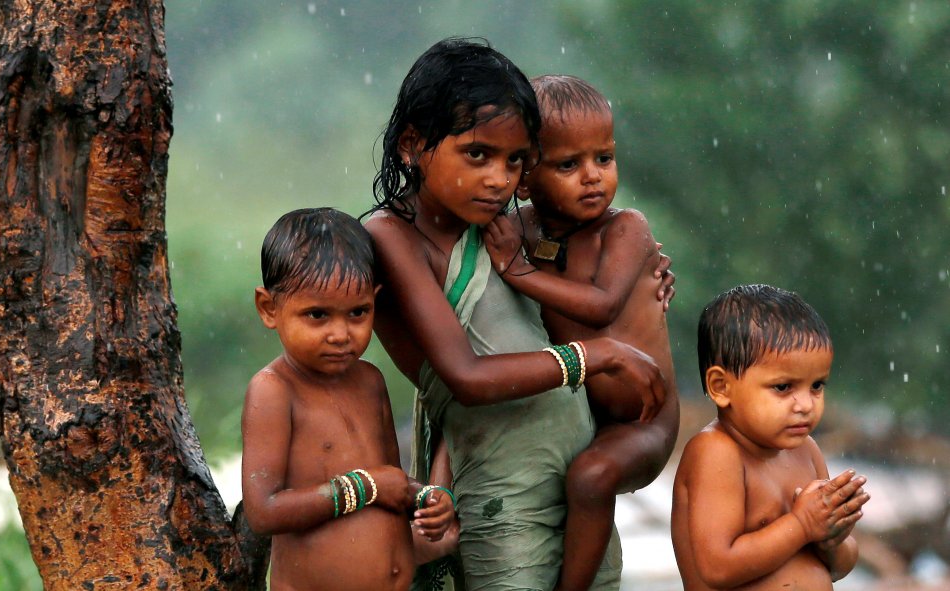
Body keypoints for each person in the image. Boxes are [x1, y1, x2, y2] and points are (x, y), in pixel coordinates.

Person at [364, 37, 671, 591]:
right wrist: (596, 355)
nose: (498, 179)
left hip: (579, 493)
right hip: (503, 505)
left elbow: (585, 288)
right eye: (477, 154)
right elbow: (465, 379)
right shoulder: (391, 237)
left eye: (514, 161)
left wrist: (636, 285)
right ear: (412, 144)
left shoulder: (505, 227)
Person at [482, 74, 680, 591]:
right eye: (569, 165)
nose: (592, 177)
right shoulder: (518, 230)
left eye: (604, 158)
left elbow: (602, 306)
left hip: (645, 419)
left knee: (590, 479)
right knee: (563, 482)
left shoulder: (625, 229)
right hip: (575, 414)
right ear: (524, 179)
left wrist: (520, 272)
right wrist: (513, 259)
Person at [241, 208, 455, 591]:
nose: (341, 334)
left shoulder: (370, 381)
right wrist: (363, 486)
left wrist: (426, 498)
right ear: (269, 309)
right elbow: (264, 510)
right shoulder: (274, 389)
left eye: (358, 312)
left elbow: (392, 482)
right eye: (317, 315)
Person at [671, 284, 870, 590]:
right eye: (783, 387)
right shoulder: (716, 452)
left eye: (817, 386)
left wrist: (831, 539)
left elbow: (839, 567)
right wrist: (802, 525)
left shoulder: (806, 450)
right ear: (721, 387)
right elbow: (717, 568)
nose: (805, 405)